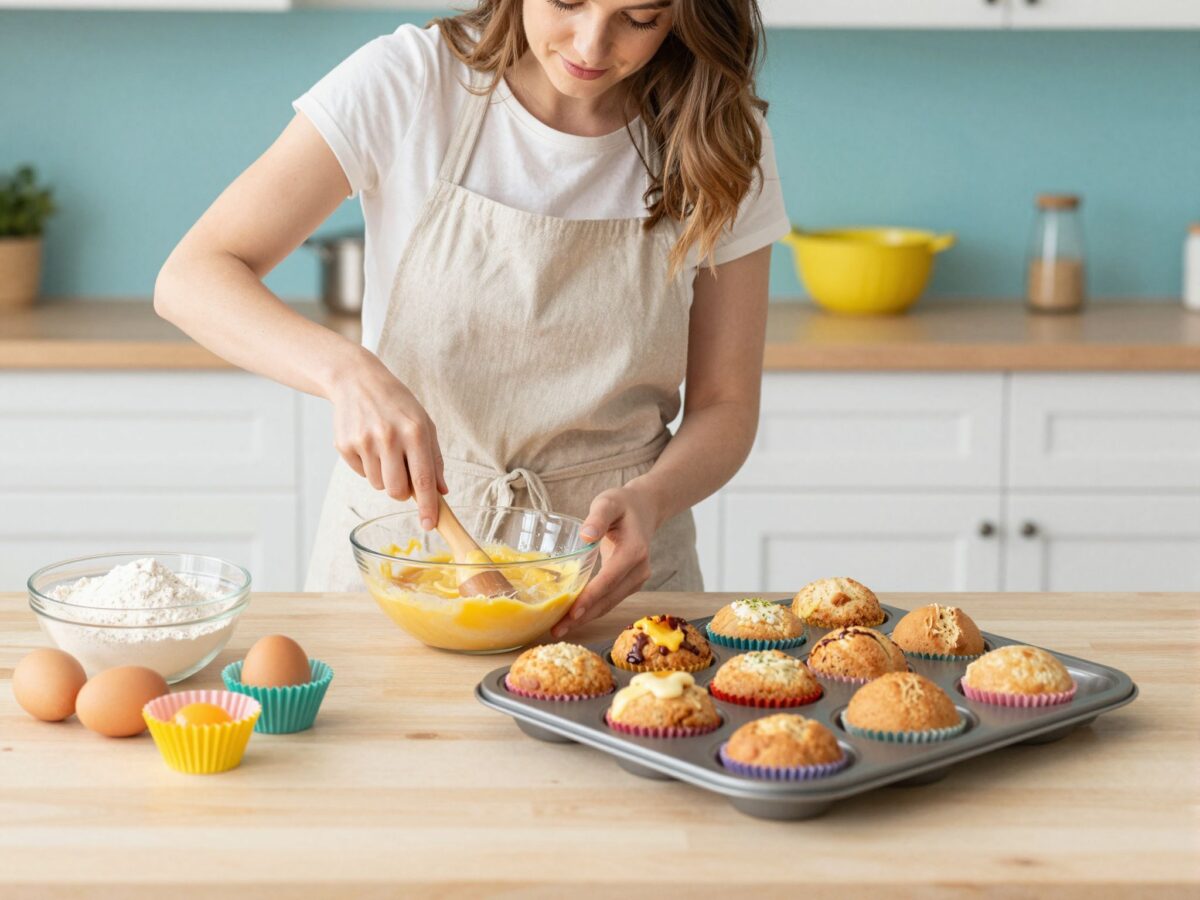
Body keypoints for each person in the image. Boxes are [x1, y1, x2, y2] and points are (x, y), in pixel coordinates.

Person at [154, 0, 788, 639]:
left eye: (641, 18)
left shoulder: (720, 140)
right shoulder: (410, 83)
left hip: (615, 592)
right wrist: (346, 371)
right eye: (568, 2)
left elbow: (725, 404)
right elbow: (192, 275)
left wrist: (653, 501)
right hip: (404, 562)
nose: (592, 46)